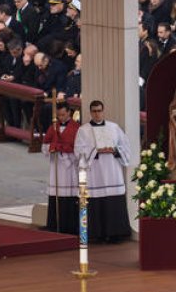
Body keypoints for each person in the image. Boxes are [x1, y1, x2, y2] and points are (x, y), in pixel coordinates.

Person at [75, 100, 133, 243]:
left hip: (113, 170)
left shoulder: (114, 128)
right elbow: (78, 151)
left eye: (99, 110)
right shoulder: (83, 130)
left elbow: (125, 146)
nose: (97, 114)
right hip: (95, 172)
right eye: (94, 111)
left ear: (103, 111)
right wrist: (96, 150)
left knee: (114, 202)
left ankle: (116, 234)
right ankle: (97, 234)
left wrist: (115, 151)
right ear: (90, 112)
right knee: (96, 202)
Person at [45, 101, 81, 235]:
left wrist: (64, 152)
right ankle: (54, 225)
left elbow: (79, 149)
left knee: (69, 197)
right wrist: (51, 149)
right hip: (56, 166)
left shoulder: (77, 128)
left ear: (69, 113)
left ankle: (69, 226)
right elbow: (45, 144)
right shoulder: (53, 127)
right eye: (59, 115)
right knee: (56, 195)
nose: (61, 118)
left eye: (63, 114)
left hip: (69, 168)